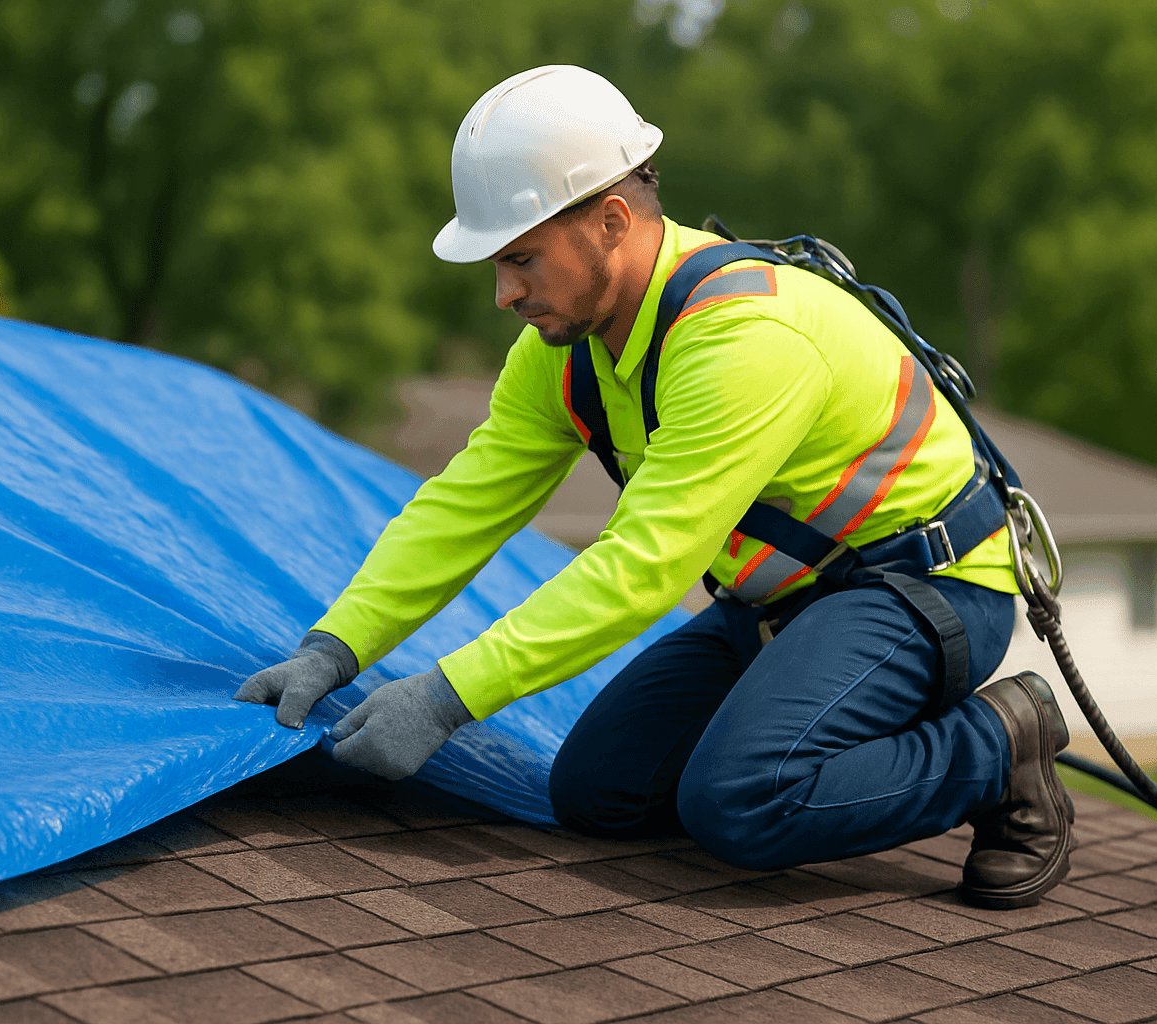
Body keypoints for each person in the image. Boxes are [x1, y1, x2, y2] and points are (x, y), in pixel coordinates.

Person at [235, 65, 1074, 909]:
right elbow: (464, 503)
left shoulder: (747, 339)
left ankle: (1000, 748)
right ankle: (811, 745)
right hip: (782, 607)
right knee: (599, 793)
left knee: (741, 799)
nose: (504, 293)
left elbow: (642, 567)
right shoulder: (566, 352)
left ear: (609, 221)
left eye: (521, 259)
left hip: (925, 590)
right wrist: (334, 646)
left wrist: (449, 698)